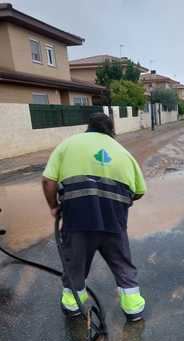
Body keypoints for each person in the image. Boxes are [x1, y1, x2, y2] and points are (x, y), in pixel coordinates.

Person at [42, 112, 146, 322]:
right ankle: (134, 309)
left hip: (77, 220)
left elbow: (48, 181)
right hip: (113, 221)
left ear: (88, 127)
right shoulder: (122, 151)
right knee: (122, 264)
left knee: (75, 264)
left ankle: (73, 306)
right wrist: (122, 201)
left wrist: (54, 206)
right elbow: (139, 191)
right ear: (111, 131)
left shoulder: (69, 144)